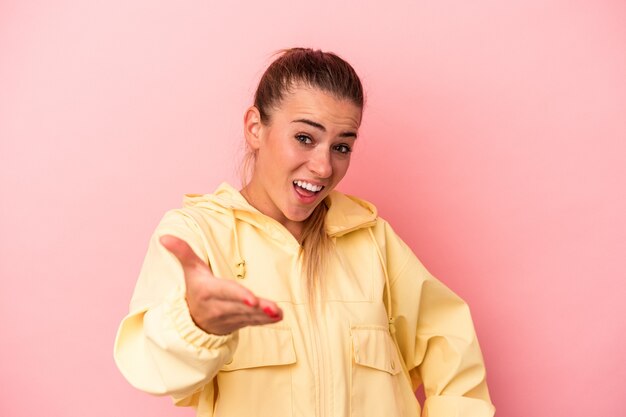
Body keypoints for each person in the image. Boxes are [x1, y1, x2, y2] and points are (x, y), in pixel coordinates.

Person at [114, 47, 495, 417]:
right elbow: (148, 367)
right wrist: (196, 323)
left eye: (342, 146)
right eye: (305, 138)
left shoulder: (373, 240)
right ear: (254, 128)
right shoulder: (198, 234)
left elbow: (453, 350)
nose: (324, 167)